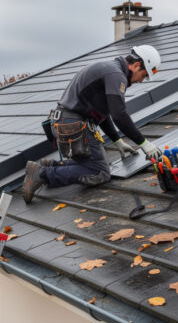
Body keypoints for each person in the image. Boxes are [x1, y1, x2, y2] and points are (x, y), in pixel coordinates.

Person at [22, 45, 163, 204]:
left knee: (90, 163)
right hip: (73, 125)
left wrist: (117, 140)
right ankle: (42, 174)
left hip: (66, 122)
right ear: (137, 65)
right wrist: (143, 143)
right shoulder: (116, 75)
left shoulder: (110, 69)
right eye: (143, 75)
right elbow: (119, 114)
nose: (141, 80)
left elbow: (104, 113)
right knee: (100, 172)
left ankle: (49, 165)